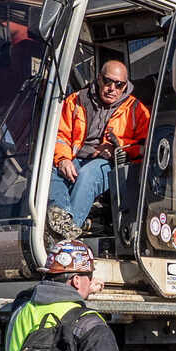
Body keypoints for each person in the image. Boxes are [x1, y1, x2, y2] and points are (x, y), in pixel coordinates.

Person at [47, 59, 150, 240]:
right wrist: (63, 159)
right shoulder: (76, 101)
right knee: (51, 170)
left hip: (109, 163)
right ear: (98, 78)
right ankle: (63, 219)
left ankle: (66, 235)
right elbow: (60, 135)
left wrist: (118, 149)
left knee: (88, 175)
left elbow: (146, 146)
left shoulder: (136, 109)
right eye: (108, 81)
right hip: (76, 157)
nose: (112, 88)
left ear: (125, 85)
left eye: (119, 85)